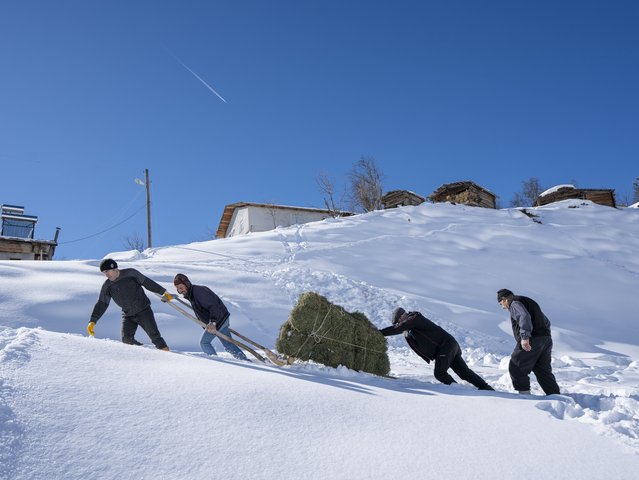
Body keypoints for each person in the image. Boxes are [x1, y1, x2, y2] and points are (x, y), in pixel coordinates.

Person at [379, 307, 493, 390]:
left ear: (402, 315)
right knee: (464, 372)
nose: (399, 323)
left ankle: (458, 390)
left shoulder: (414, 317)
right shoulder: (410, 327)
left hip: (445, 346)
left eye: (399, 321)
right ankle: (486, 388)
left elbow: (399, 328)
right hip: (448, 346)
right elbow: (404, 331)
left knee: (440, 373)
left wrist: (379, 333)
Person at [88, 258, 171, 351]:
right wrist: (93, 320)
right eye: (104, 272)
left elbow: (147, 282)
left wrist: (163, 292)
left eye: (107, 271)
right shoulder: (107, 286)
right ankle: (143, 352)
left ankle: (167, 354)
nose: (106, 274)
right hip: (128, 314)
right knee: (126, 340)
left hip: (143, 310)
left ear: (114, 268)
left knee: (155, 336)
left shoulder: (131, 273)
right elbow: (102, 303)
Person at [497, 288, 560, 395]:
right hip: (545, 339)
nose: (502, 307)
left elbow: (524, 316)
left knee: (516, 366)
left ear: (505, 299)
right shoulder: (527, 302)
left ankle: (525, 398)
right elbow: (546, 321)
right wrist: (544, 336)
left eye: (501, 303)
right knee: (542, 371)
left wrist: (525, 337)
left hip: (532, 340)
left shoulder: (515, 303)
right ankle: (555, 396)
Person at [173, 273, 247, 361]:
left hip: (218, 321)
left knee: (204, 343)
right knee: (228, 345)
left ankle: (216, 363)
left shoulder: (198, 292)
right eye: (178, 289)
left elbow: (213, 306)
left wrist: (213, 322)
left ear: (187, 284)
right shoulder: (193, 292)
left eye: (181, 288)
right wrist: (173, 297)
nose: (180, 291)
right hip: (222, 319)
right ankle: (245, 361)